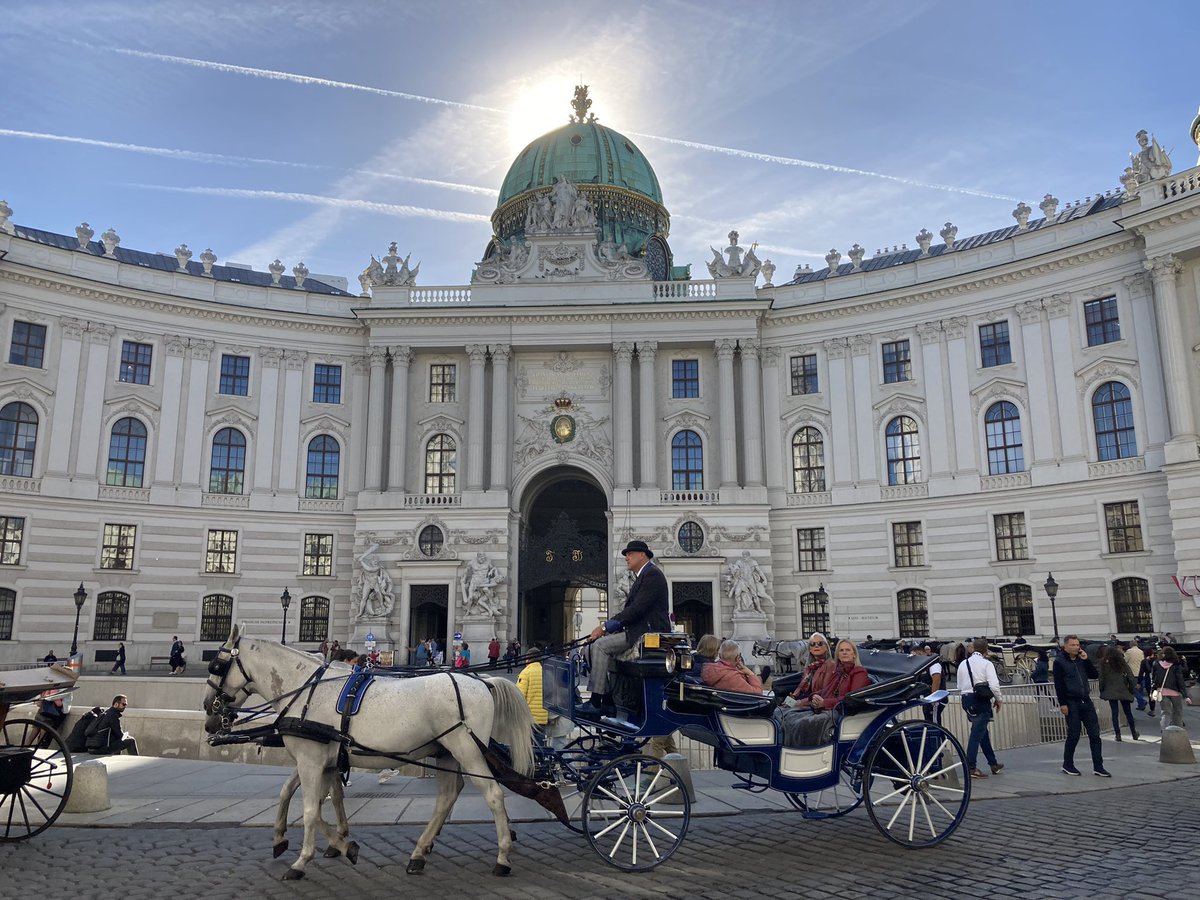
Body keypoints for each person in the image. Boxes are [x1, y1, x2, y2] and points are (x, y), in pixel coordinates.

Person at [586, 540, 671, 714]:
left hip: (646, 633)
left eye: (630, 554)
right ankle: (608, 700)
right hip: (638, 630)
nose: (626, 557)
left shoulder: (652, 575)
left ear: (642, 555)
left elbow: (637, 609)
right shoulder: (644, 575)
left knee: (600, 646)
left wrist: (605, 627)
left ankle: (596, 702)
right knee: (599, 647)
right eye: (626, 555)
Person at [1053, 634, 1108, 777]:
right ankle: (1068, 764)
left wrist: (1086, 659)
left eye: (1077, 645)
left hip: (1086, 700)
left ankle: (1098, 766)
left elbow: (1094, 675)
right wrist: (1063, 703)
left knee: (1095, 735)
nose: (1076, 647)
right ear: (1065, 646)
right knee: (1074, 734)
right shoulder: (1059, 662)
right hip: (1071, 702)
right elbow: (1059, 684)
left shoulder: (1081, 660)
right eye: (1073, 645)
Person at [958, 638, 1004, 779]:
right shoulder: (986, 664)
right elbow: (994, 685)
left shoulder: (963, 663)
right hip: (980, 700)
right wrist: (999, 699)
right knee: (976, 735)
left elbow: (959, 685)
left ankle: (993, 763)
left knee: (982, 732)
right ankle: (971, 766)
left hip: (966, 699)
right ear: (986, 650)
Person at [1097, 645, 1139, 742]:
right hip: (1123, 690)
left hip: (1110, 690)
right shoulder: (1122, 662)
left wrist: (1102, 689)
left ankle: (1118, 734)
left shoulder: (1103, 663)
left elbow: (1101, 678)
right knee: (1128, 712)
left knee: (1114, 713)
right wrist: (1131, 690)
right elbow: (1130, 676)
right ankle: (1134, 733)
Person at [1151, 646, 1187, 729]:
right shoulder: (1176, 666)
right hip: (1175, 692)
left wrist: (1153, 691)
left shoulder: (1157, 664)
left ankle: (1165, 731)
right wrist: (1185, 695)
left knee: (1165, 712)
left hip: (1162, 692)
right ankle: (1177, 730)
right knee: (1177, 712)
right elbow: (1180, 680)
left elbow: (1154, 679)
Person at [915, 644, 945, 724]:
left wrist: (933, 699)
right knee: (929, 720)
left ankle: (937, 732)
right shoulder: (923, 666)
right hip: (927, 698)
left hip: (934, 699)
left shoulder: (933, 665)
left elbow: (936, 681)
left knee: (934, 722)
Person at [1124, 640, 1146, 709]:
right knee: (1140, 690)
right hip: (1141, 673)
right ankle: (1141, 705)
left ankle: (1142, 701)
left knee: (1134, 689)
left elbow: (1124, 661)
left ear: (1130, 645)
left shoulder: (1129, 651)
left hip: (1133, 673)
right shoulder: (1141, 651)